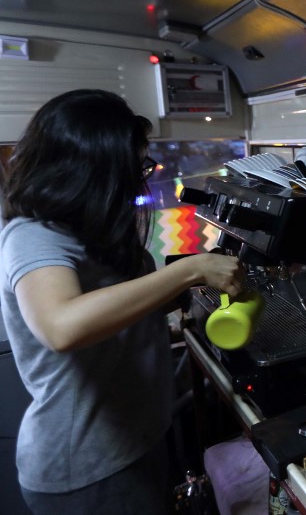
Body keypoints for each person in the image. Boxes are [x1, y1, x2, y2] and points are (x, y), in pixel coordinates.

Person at [0, 89, 245, 514]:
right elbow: (62, 326)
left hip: (136, 443)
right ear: (89, 167)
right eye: (133, 166)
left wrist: (186, 297)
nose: (139, 179)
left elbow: (116, 309)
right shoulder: (33, 235)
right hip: (87, 467)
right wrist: (190, 270)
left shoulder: (92, 230)